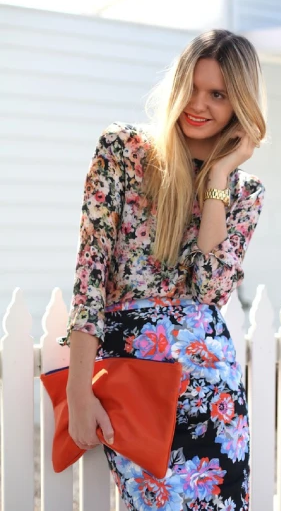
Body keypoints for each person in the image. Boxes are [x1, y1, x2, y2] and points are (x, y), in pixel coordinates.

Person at [62, 30, 266, 510]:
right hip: (135, 376)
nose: (199, 105)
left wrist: (217, 178)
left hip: (213, 391)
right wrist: (78, 391)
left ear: (239, 102)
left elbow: (209, 289)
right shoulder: (123, 151)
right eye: (192, 88)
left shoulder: (244, 190)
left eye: (218, 94)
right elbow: (90, 273)